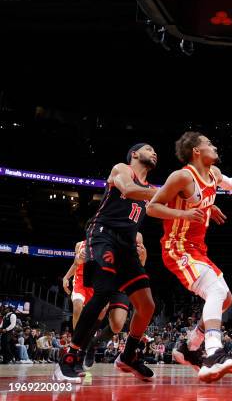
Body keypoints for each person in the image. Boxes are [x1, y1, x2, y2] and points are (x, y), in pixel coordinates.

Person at [147, 131, 232, 382]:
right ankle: (213, 353)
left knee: (226, 299)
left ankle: (189, 348)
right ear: (196, 151)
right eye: (209, 143)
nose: (214, 146)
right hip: (177, 247)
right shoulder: (182, 176)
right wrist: (185, 215)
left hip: (198, 248)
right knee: (215, 292)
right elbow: (152, 207)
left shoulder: (213, 174)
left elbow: (231, 184)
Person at [54, 143, 158, 383]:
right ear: (135, 154)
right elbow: (128, 189)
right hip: (104, 234)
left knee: (147, 305)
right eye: (149, 149)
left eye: (155, 151)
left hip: (127, 244)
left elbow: (161, 209)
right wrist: (164, 192)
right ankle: (69, 358)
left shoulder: (150, 190)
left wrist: (195, 208)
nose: (154, 153)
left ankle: (128, 356)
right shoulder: (122, 169)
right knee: (103, 292)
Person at [62, 233, 147, 371]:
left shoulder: (136, 236)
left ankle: (93, 345)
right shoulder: (102, 230)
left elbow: (141, 264)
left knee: (118, 326)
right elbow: (85, 260)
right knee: (97, 310)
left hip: (122, 282)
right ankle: (79, 350)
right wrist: (75, 265)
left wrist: (143, 258)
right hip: (104, 279)